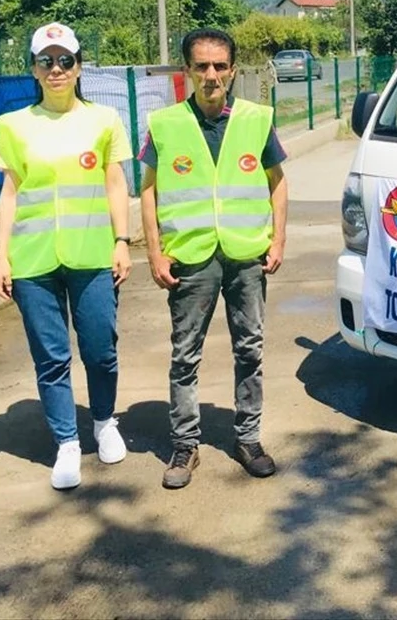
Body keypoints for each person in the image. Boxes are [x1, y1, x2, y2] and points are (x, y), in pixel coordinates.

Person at [140, 28, 289, 490]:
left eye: (219, 66)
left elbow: (277, 182)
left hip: (246, 255)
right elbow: (147, 189)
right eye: (201, 66)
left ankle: (248, 438)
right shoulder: (164, 125)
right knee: (185, 355)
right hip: (191, 256)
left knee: (250, 348)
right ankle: (185, 444)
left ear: (233, 70)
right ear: (187, 70)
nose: (211, 75)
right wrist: (155, 252)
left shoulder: (257, 119)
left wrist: (278, 239)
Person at [0, 21, 132, 490]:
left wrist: (121, 241)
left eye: (65, 60)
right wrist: (2, 256)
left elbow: (115, 183)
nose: (56, 69)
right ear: (33, 68)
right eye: (46, 61)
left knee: (100, 349)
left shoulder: (104, 120)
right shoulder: (11, 126)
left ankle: (104, 421)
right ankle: (67, 443)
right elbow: (9, 193)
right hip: (33, 261)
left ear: (79, 67)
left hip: (91, 256)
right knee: (50, 358)